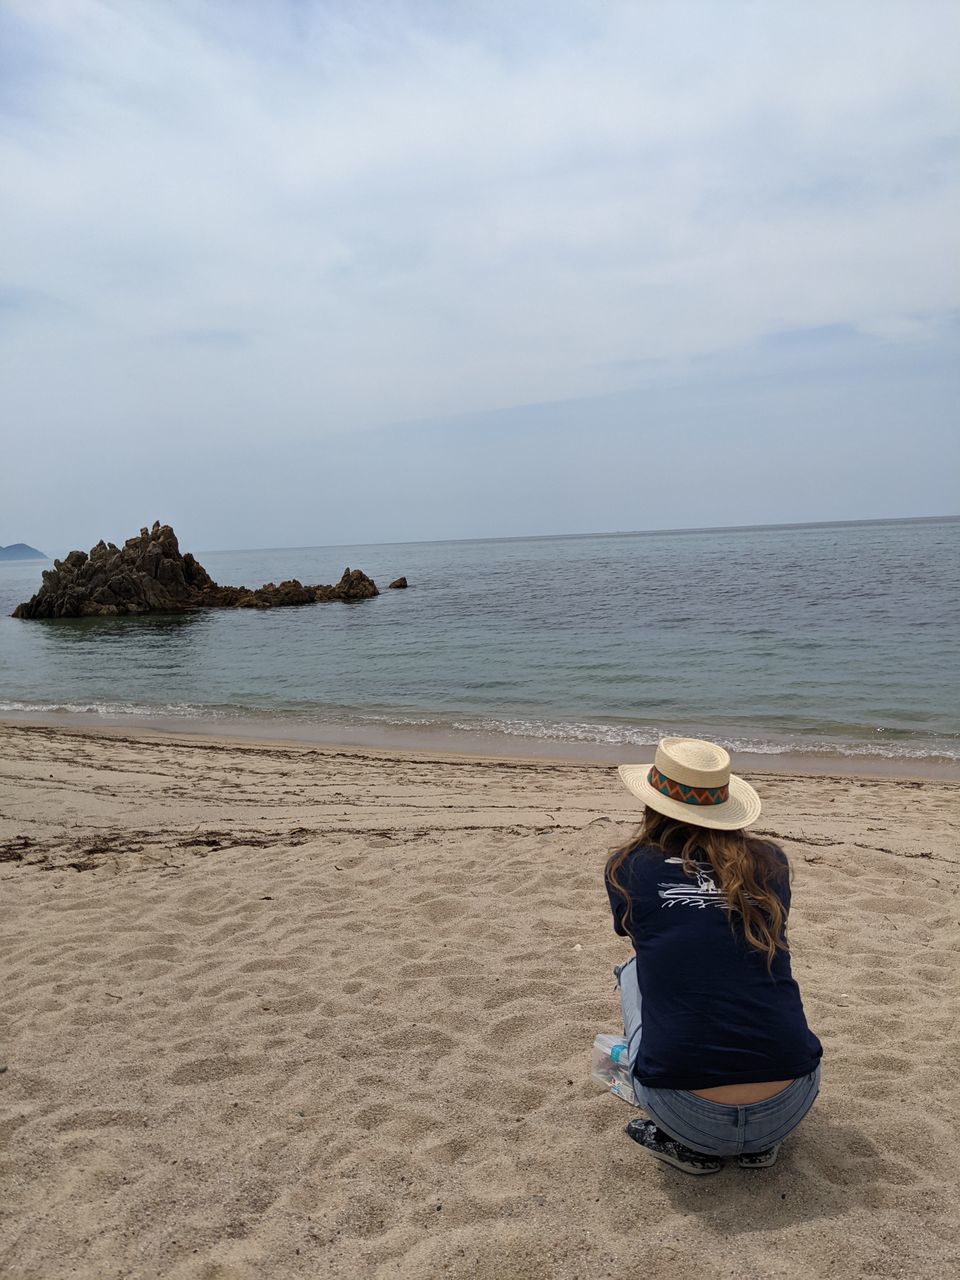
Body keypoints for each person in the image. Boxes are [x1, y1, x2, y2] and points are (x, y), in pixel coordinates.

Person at [604, 736, 822, 1175]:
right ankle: (756, 1146)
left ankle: (690, 1147)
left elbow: (642, 940)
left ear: (652, 804)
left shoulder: (629, 866)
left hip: (685, 1113)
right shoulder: (771, 863)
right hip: (789, 1105)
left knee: (634, 971)